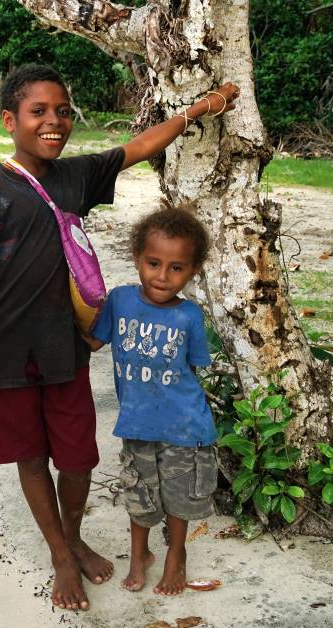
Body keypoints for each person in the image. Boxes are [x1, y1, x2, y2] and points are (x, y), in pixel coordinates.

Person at [0, 63, 237, 610]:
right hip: (1, 353)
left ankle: (72, 535)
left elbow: (141, 145)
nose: (54, 122)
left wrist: (197, 110)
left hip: (64, 348)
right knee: (30, 458)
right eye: (38, 112)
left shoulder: (75, 177)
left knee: (77, 460)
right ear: (9, 120)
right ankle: (61, 554)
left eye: (63, 112)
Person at [84, 207, 218, 595]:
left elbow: (192, 370)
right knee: (139, 494)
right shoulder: (121, 300)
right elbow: (94, 341)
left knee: (178, 498)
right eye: (154, 263)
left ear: (192, 271)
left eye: (176, 268)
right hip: (137, 423)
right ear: (137, 259)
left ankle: (176, 555)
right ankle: (139, 554)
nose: (162, 276)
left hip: (185, 426)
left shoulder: (191, 316)